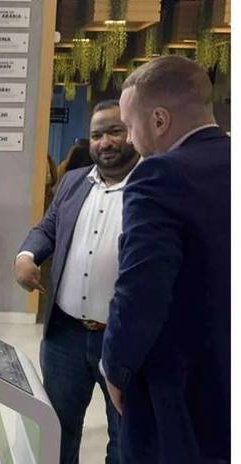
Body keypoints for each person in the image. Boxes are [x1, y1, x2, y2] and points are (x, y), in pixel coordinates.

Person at [102, 56, 230, 463]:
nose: (130, 140)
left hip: (180, 391)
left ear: (158, 120)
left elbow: (141, 288)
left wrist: (116, 368)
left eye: (129, 126)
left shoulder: (160, 175)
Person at [15, 99, 139, 464]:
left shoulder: (153, 185)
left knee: (125, 437)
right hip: (65, 335)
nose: (105, 142)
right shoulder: (73, 182)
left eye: (115, 131)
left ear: (133, 131)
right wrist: (26, 256)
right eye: (97, 135)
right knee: (57, 431)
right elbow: (47, 228)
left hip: (123, 339)